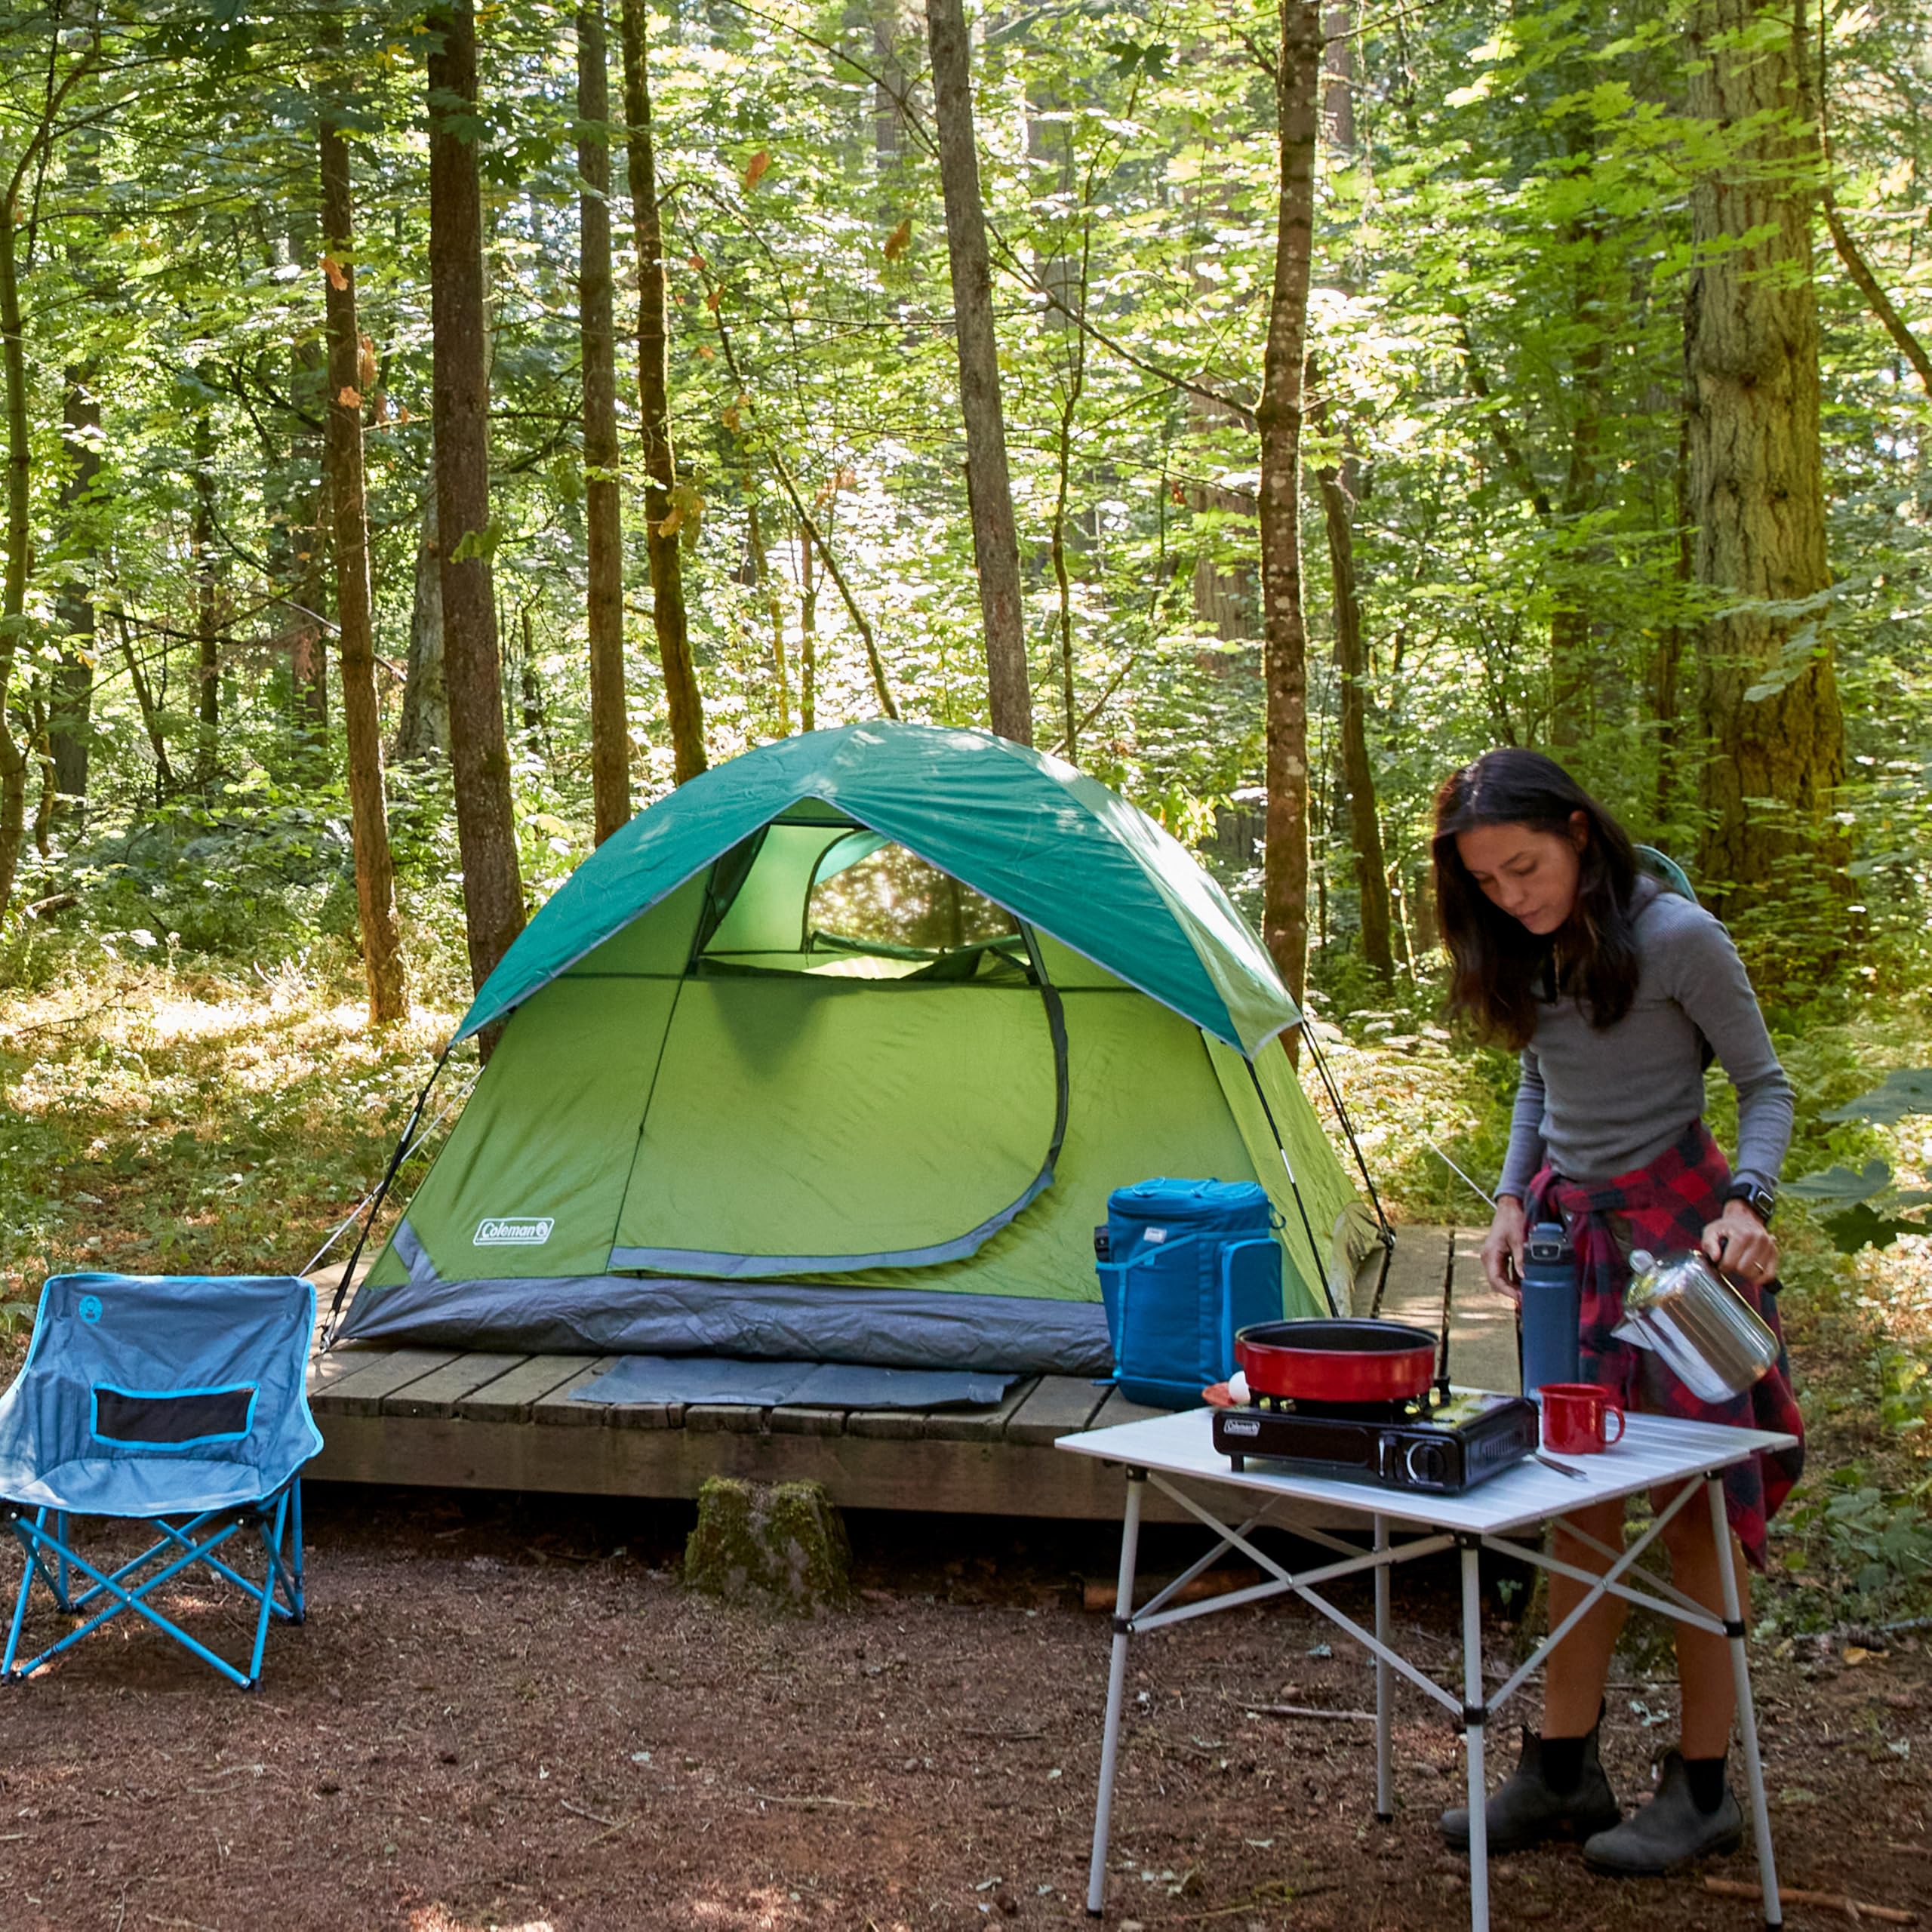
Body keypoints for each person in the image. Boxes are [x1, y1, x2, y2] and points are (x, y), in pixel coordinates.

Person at [1429, 749, 1805, 1878]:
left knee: (1694, 1513)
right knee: (1576, 1500)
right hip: (1572, 1246)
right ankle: (1561, 1766)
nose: (1512, 896)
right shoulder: (1532, 948)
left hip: (1683, 1242)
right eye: (1487, 883)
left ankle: (1701, 1789)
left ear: (1581, 835)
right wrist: (1509, 1196)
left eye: (1525, 867)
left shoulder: (1681, 938)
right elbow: (1544, 1079)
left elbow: (1767, 1086)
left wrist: (1750, 1203)